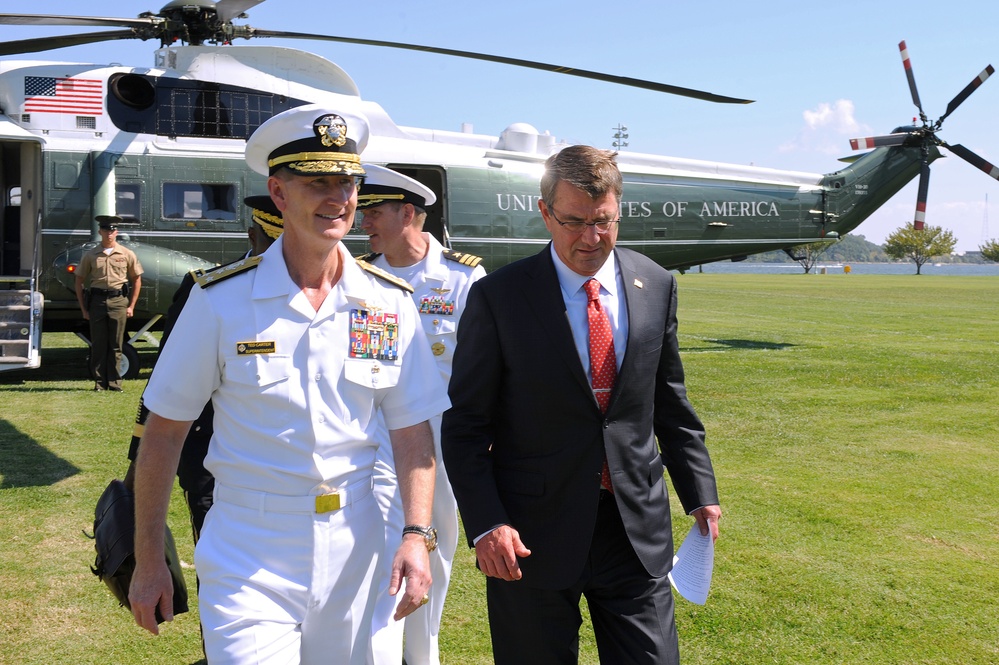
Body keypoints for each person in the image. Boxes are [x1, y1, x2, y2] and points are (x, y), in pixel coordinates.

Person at [128, 104, 450, 665]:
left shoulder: (388, 302)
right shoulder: (219, 300)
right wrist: (149, 559)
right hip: (251, 548)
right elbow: (163, 435)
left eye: (348, 181)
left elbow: (412, 429)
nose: (338, 197)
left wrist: (417, 534)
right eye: (317, 182)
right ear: (278, 193)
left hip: (360, 543)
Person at [441, 145, 722, 665]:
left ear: (619, 211)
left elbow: (669, 402)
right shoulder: (499, 297)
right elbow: (464, 427)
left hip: (633, 531)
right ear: (545, 212)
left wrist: (699, 490)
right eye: (574, 222)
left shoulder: (655, 285)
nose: (591, 239)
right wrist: (486, 524)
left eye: (604, 222)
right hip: (529, 540)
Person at [356, 165, 486, 665]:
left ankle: (420, 653)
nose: (363, 222)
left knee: (436, 549)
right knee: (376, 545)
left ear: (408, 213)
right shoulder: (363, 277)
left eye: (374, 212)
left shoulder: (461, 277)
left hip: (443, 438)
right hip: (378, 434)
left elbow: (487, 368)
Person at [123, 195, 284, 548]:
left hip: (281, 469)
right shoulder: (207, 291)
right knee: (216, 555)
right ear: (253, 237)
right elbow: (164, 381)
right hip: (209, 455)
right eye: (273, 244)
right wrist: (138, 457)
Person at [74, 215, 143, 391]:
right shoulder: (91, 255)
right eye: (106, 230)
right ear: (100, 231)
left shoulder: (127, 254)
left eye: (112, 230)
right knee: (98, 344)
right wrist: (83, 309)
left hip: (118, 301)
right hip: (97, 301)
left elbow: (136, 279)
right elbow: (79, 280)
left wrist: (131, 306)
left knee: (116, 344)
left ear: (116, 232)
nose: (109, 233)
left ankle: (114, 383)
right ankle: (99, 383)